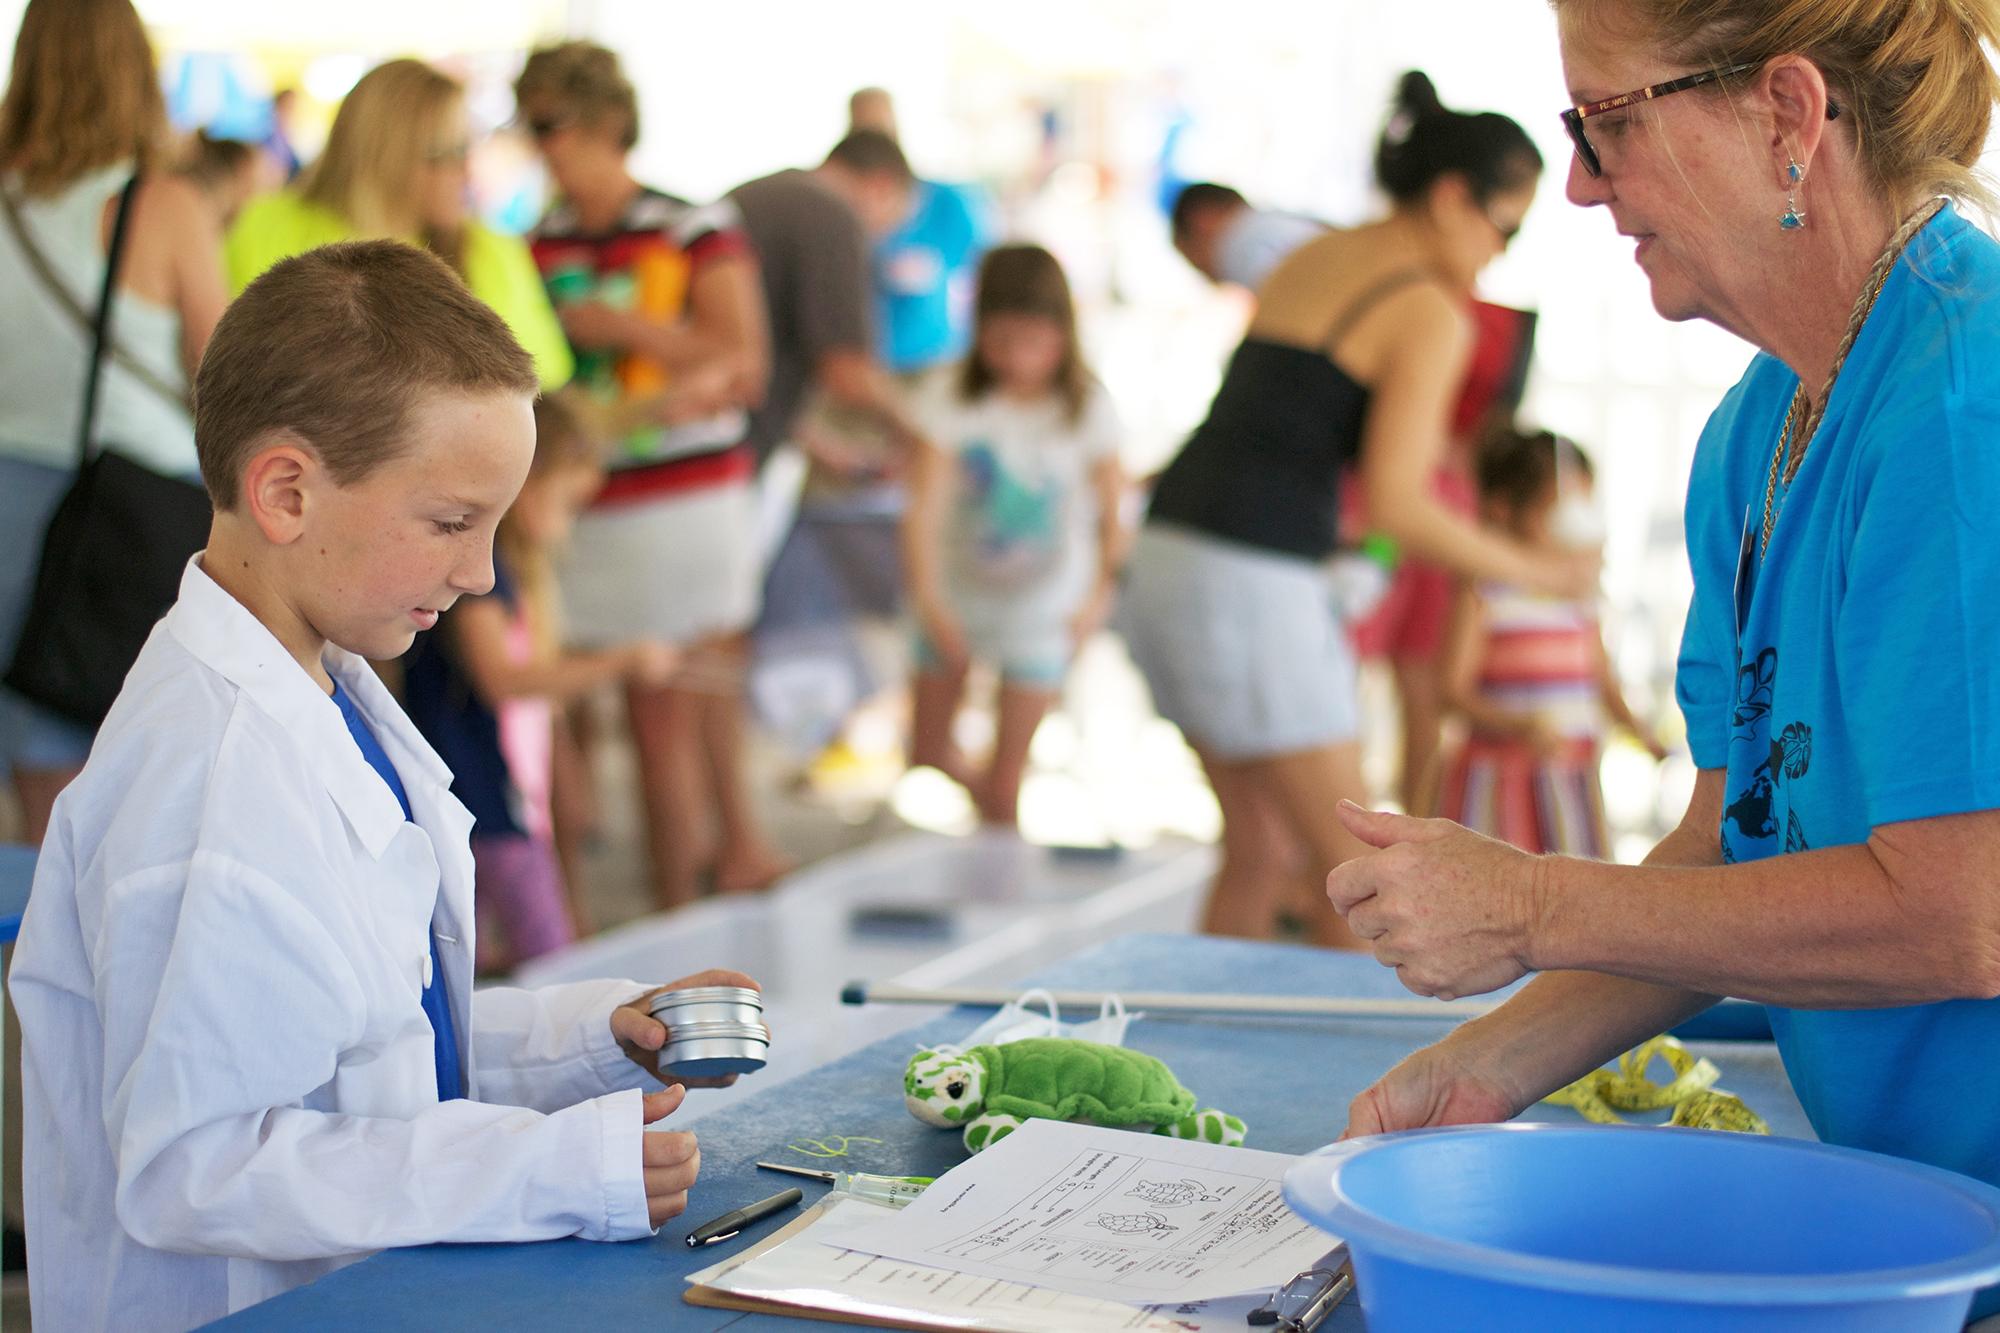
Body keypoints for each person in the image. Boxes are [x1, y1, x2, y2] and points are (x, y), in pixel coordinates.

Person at [1329, 4, 2000, 1320]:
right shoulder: (1756, 433)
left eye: (1606, 123)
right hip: (1924, 1216)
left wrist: (1530, 906)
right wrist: (1485, 1066)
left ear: (1787, 117)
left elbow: (1963, 912)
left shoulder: (1961, 412)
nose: (1579, 181)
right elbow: (1730, 850)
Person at [8, 241, 758, 1332]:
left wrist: (589, 1041)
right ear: (286, 491)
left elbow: (371, 1040)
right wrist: (537, 1170)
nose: (481, 572)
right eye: (452, 523)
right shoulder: (210, 786)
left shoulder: (329, 689)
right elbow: (197, 1164)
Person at [1121, 72, 1593, 947]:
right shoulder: (1427, 308)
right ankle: (1358, 1087)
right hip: (1247, 576)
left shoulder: (1316, 252)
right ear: (1454, 199)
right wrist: (1542, 572)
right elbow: (1399, 504)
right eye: (1507, 223)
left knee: (1261, 845)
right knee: (1358, 877)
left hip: (1168, 551)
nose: (1502, 251)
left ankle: (1185, 1069)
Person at [515, 39, 788, 907]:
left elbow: (745, 362)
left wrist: (627, 331)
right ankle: (578, 930)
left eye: (550, 120)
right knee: (570, 720)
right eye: (528, 121)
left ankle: (678, 920)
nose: (537, 138)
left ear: (605, 120)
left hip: (681, 502)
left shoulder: (690, 225)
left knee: (662, 712)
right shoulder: (533, 241)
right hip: (577, 505)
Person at [0, 0, 228, 845]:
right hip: (128, 514)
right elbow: (224, 375)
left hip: (10, 505)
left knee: (39, 789)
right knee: (141, 782)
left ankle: (32, 969)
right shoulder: (158, 204)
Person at [401, 393, 680, 968]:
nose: (570, 520)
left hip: (493, 798)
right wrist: (619, 664)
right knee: (550, 957)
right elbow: (501, 680)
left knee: (455, 956)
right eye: (568, 501)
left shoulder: (516, 570)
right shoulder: (487, 570)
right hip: (476, 792)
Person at [902, 245, 1126, 826]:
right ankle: (985, 805)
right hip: (957, 597)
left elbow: (1113, 512)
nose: (1018, 359)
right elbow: (922, 507)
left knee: (1008, 785)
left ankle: (995, 852)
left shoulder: (1086, 407)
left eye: (1035, 342)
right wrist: (929, 600)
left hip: (1045, 609)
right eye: (1002, 341)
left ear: (1063, 337)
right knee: (926, 753)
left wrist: (1099, 596)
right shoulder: (951, 394)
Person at [225, 58, 572, 390]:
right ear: (391, 157)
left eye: (467, 151)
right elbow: (231, 374)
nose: (466, 173)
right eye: (449, 154)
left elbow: (543, 390)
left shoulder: (489, 249)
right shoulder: (265, 224)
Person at [1436, 428, 1664, 858]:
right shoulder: (1485, 592)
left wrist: (1640, 732)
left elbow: (1602, 680)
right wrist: (1520, 726)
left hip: (1571, 779)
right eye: (1560, 508)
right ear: (1504, 508)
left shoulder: (1581, 599)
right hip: (1499, 785)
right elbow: (1450, 691)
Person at [849, 86, 992, 376]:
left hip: (936, 363)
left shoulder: (947, 203)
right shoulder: (839, 212)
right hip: (862, 367)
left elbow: (982, 279)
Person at [1169, 181, 1326, 291]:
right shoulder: (1276, 219)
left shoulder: (1239, 243)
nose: (1207, 278)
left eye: (1194, 262)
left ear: (1201, 221)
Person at [176, 129, 275, 232]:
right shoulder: (198, 214)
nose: (254, 195)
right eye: (254, 183)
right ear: (242, 169)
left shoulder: (189, 200)